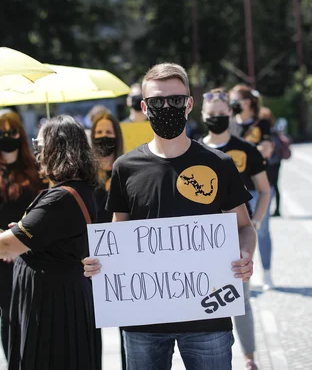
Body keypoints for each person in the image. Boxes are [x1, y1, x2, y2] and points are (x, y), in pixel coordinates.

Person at [83, 63, 256, 370]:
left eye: (175, 100)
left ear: (189, 104)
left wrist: (245, 254)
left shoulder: (219, 164)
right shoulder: (126, 167)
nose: (167, 108)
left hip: (209, 316)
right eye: (157, 102)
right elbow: (118, 232)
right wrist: (102, 262)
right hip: (144, 320)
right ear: (144, 107)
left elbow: (244, 226)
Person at [0, 115, 101, 370]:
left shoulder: (60, 199)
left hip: (51, 305)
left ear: (56, 148)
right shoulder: (74, 191)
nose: (36, 151)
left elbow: (5, 247)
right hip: (60, 298)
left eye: (39, 145)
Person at [201, 88, 270, 370]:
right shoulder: (195, 150)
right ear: (202, 116)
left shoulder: (246, 149)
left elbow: (264, 191)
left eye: (222, 113)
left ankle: (249, 357)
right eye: (211, 115)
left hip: (237, 234)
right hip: (205, 240)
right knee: (207, 299)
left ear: (231, 113)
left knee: (240, 300)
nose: (217, 118)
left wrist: (254, 224)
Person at [0, 110, 44, 357]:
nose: (6, 136)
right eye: (0, 132)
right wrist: (3, 240)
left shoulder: (37, 167)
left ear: (21, 133)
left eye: (11, 131)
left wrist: (21, 241)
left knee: (36, 314)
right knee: (9, 318)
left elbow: (45, 207)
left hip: (33, 251)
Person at [89, 111, 126, 369]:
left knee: (129, 330)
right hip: (90, 263)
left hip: (124, 262)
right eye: (99, 134)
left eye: (109, 134)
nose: (104, 138)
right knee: (90, 332)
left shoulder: (129, 170)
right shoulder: (84, 176)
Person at [229, 84, 274, 160]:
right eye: (231, 101)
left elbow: (265, 151)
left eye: (235, 101)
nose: (232, 104)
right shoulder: (230, 124)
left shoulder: (262, 123)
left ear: (247, 102)